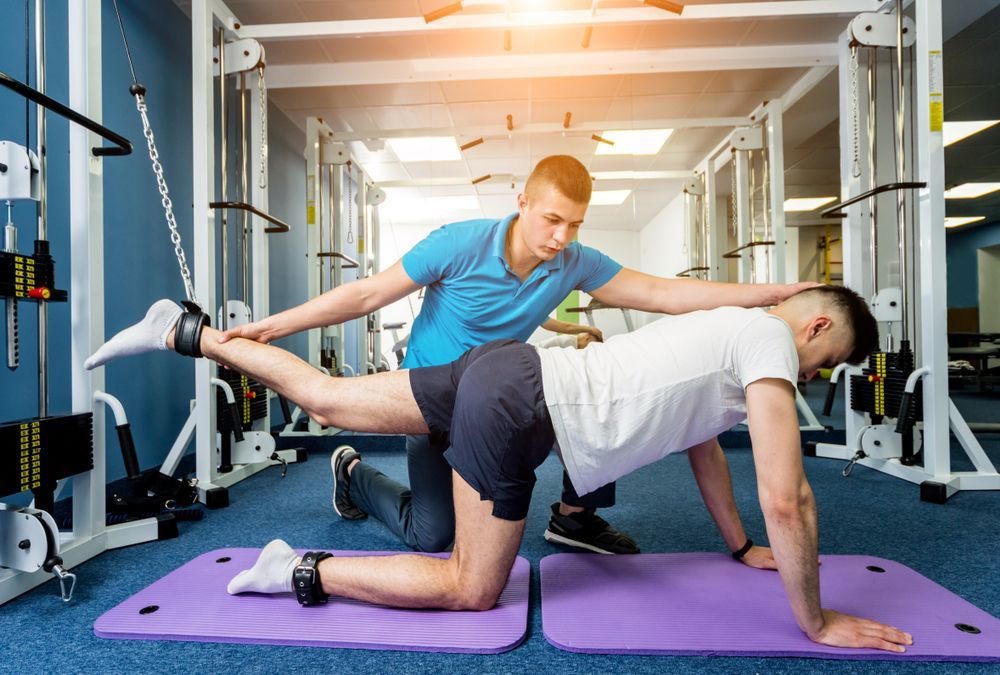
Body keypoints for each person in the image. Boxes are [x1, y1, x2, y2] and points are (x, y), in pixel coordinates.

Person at [84, 285, 912, 653]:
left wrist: (736, 548)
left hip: (509, 370)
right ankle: (299, 568)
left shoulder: (730, 336)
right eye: (823, 362)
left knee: (329, 399)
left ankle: (186, 332)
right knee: (471, 584)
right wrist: (816, 618)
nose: (810, 381)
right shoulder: (765, 340)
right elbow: (787, 494)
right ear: (810, 330)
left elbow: (703, 445)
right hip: (523, 410)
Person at [214, 154, 817, 555]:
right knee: (433, 538)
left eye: (574, 225)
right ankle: (352, 473)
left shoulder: (574, 262)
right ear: (522, 200)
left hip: (503, 396)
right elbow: (367, 293)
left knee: (608, 402)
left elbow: (661, 292)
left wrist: (772, 296)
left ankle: (574, 516)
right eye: (552, 219)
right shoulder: (457, 244)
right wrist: (271, 327)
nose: (560, 238)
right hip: (427, 399)